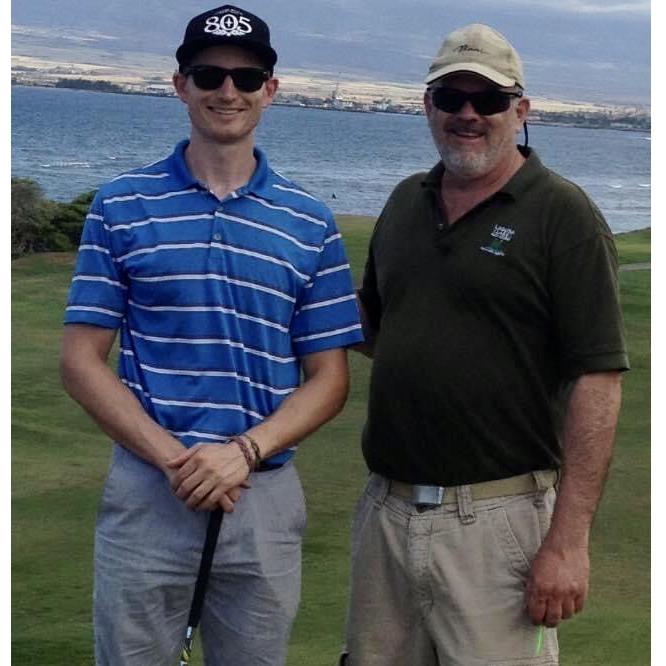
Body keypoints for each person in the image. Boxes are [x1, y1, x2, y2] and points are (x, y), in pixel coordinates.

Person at [60, 5, 363, 664]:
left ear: (270, 91)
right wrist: (177, 460)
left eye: (247, 77)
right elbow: (81, 360)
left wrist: (245, 452)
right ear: (180, 84)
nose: (228, 91)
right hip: (148, 489)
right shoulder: (121, 206)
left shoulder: (309, 222)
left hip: (264, 494)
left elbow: (330, 379)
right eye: (209, 75)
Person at [342, 23, 629, 666]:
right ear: (427, 106)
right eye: (450, 98)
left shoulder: (563, 214)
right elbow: (376, 328)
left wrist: (569, 541)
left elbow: (598, 379)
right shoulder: (404, 202)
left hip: (500, 521)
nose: (468, 114)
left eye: (489, 100)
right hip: (386, 512)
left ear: (520, 110)